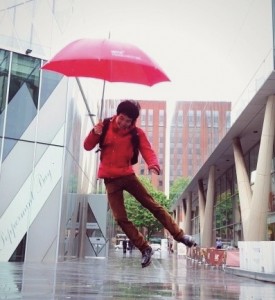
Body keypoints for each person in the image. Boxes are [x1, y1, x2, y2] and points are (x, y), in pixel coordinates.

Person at [84, 100, 197, 268]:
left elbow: (147, 150)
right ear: (117, 115)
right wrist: (95, 133)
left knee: (152, 205)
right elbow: (87, 146)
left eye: (128, 121)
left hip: (128, 176)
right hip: (110, 180)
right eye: (121, 118)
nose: (123, 123)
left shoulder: (136, 134)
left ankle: (180, 236)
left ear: (133, 122)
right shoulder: (105, 126)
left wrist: (153, 165)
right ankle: (145, 249)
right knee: (120, 218)